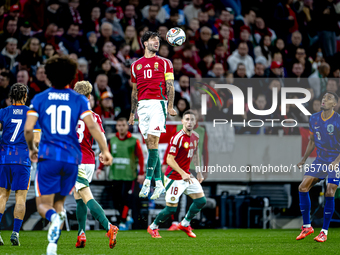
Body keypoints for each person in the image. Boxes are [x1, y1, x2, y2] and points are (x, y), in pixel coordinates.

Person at [23, 56, 115, 254]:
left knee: (46, 205)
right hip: (73, 160)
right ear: (72, 76)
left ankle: (103, 226)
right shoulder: (79, 102)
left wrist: (31, 148)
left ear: (47, 76)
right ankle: (65, 239)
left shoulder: (40, 98)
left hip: (50, 157)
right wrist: (105, 150)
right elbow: (93, 126)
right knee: (72, 198)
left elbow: (29, 130)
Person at [129, 31, 177, 200]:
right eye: (153, 40)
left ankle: (148, 181)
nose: (156, 43)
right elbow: (134, 91)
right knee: (151, 145)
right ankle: (160, 184)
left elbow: (170, 86)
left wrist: (170, 106)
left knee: (153, 141)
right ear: (144, 43)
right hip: (142, 106)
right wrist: (131, 113)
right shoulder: (136, 65)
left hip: (158, 104)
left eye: (158, 41)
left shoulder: (165, 63)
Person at [147, 110, 206, 238]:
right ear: (182, 121)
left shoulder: (196, 136)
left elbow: (195, 154)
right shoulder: (177, 137)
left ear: (195, 122)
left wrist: (199, 172)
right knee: (171, 209)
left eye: (192, 119)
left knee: (201, 200)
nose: (189, 122)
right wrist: (182, 173)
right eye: (187, 119)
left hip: (187, 175)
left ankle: (184, 223)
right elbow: (169, 159)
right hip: (174, 177)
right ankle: (153, 227)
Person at [296, 91, 340, 242]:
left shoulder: (338, 120)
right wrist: (304, 159)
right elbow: (312, 141)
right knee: (302, 187)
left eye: (329, 98)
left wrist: (336, 162)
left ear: (335, 104)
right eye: (324, 97)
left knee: (329, 191)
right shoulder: (314, 118)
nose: (324, 99)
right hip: (321, 160)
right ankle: (307, 226)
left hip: (336, 160)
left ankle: (324, 232)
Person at [0, 83, 40, 246]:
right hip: (22, 160)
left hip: (4, 159)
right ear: (25, 97)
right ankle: (15, 233)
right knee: (21, 197)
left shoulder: (3, 112)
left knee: (2, 195)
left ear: (10, 97)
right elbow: (36, 139)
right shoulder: (31, 114)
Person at [97, 118, 145, 231]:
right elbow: (106, 155)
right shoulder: (112, 141)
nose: (121, 127)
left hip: (129, 176)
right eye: (119, 125)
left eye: (123, 125)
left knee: (126, 198)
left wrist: (141, 173)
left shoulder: (134, 141)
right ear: (117, 127)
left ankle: (123, 221)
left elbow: (141, 157)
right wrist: (100, 168)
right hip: (115, 175)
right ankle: (125, 218)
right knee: (116, 200)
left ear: (127, 126)